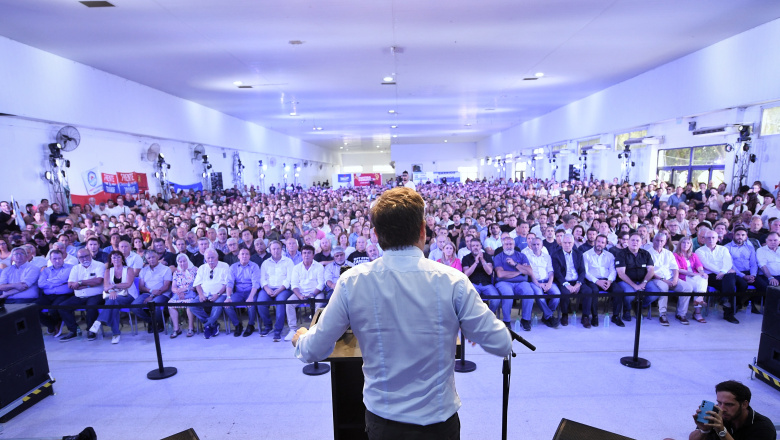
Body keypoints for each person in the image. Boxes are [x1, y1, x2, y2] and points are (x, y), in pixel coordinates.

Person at [293, 187, 511, 440]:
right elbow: (501, 342)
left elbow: (314, 350)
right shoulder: (453, 281)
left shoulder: (353, 281)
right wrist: (470, 324)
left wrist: (301, 338)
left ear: (376, 235)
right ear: (423, 230)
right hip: (439, 421)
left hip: (384, 422)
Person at [682, 380, 776, 440]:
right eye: (719, 402)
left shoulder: (764, 428)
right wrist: (704, 430)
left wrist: (722, 431)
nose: (722, 409)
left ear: (744, 404)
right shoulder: (716, 413)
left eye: (729, 404)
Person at [88, 251, 138, 344]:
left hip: (128, 295)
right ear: (111, 260)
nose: (116, 259)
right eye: (114, 257)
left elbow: (128, 284)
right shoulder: (108, 271)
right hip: (112, 295)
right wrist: (112, 291)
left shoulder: (129, 269)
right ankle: (115, 334)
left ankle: (100, 321)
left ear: (122, 259)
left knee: (112, 302)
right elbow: (106, 287)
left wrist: (113, 286)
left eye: (118, 257)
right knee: (114, 305)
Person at [59, 248, 105, 342]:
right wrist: (89, 284)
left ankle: (91, 331)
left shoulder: (99, 265)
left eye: (86, 256)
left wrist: (80, 282)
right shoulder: (76, 268)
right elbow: (70, 284)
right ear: (78, 258)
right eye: (81, 257)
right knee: (62, 307)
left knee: (91, 307)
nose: (84, 259)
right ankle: (74, 330)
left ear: (90, 255)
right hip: (79, 296)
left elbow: (98, 281)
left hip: (96, 295)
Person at [647, 232, 693, 325]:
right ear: (653, 240)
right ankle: (662, 314)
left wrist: (675, 279)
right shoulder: (647, 253)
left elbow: (675, 268)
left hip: (670, 277)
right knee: (664, 288)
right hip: (656, 279)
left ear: (665, 242)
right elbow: (650, 271)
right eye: (657, 240)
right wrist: (664, 280)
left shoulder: (668, 253)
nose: (659, 243)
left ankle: (681, 314)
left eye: (662, 241)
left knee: (688, 288)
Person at [614, 233, 662, 322]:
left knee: (655, 292)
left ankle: (639, 306)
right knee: (630, 294)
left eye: (637, 240)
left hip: (643, 281)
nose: (635, 242)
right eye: (632, 240)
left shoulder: (646, 254)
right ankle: (627, 310)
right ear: (628, 242)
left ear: (641, 243)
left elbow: (651, 270)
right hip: (626, 281)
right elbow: (621, 274)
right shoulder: (621, 254)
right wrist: (634, 286)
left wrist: (644, 282)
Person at [696, 230, 740, 324]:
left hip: (725, 273)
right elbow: (707, 265)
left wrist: (723, 272)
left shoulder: (723, 249)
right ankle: (729, 313)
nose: (711, 240)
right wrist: (721, 272)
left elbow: (728, 262)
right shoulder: (699, 251)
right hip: (711, 276)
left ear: (718, 239)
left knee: (743, 284)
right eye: (708, 238)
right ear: (704, 239)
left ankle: (727, 300)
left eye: (713, 237)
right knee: (730, 284)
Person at [552, 233, 595, 327]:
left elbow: (582, 271)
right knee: (565, 293)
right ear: (561, 243)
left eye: (569, 243)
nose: (567, 245)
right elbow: (557, 273)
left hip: (577, 281)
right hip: (564, 281)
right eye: (565, 243)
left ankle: (585, 316)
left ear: (573, 243)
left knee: (588, 291)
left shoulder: (579, 254)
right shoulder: (555, 255)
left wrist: (578, 284)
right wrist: (567, 285)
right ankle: (565, 315)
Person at [494, 232, 535, 330]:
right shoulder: (498, 257)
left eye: (511, 244)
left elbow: (529, 271)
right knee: (508, 293)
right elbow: (500, 274)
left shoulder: (521, 256)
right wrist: (520, 272)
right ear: (503, 246)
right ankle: (506, 321)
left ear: (514, 245)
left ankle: (525, 320)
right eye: (506, 244)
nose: (509, 246)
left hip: (521, 283)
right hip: (503, 282)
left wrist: (515, 264)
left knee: (529, 292)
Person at [285, 244, 324, 341]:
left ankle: (315, 328)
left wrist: (312, 295)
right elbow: (294, 284)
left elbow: (321, 284)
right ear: (301, 255)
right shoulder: (296, 268)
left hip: (315, 293)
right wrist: (299, 296)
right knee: (289, 303)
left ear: (313, 255)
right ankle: (293, 329)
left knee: (320, 302)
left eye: (309, 253)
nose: (306, 255)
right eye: (304, 253)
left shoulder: (319, 266)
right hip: (300, 293)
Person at [582, 235, 622, 326]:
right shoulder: (586, 255)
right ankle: (594, 316)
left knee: (618, 291)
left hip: (607, 280)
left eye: (603, 242)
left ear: (605, 244)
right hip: (593, 280)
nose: (600, 244)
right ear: (595, 242)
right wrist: (597, 281)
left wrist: (610, 281)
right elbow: (585, 272)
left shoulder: (610, 255)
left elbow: (613, 270)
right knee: (594, 291)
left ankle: (616, 316)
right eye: (598, 241)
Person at [521, 237, 561, 328]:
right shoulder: (527, 257)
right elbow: (530, 273)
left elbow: (551, 271)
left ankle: (546, 316)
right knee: (540, 297)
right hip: (534, 282)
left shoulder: (547, 256)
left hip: (547, 281)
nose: (536, 246)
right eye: (534, 244)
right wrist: (538, 284)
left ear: (542, 246)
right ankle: (549, 317)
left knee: (557, 295)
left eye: (538, 244)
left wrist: (549, 283)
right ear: (531, 246)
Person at [191, 248, 230, 338]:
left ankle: (207, 326)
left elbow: (227, 284)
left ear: (217, 257)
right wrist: (200, 294)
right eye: (208, 258)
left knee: (217, 305)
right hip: (204, 294)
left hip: (221, 294)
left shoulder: (225, 266)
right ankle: (213, 324)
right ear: (205, 259)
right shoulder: (202, 268)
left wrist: (218, 294)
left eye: (212, 257)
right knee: (192, 305)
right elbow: (197, 284)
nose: (210, 260)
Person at [259, 240, 294, 341]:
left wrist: (279, 290)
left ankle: (278, 330)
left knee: (280, 302)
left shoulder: (288, 262)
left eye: (278, 248)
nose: (276, 251)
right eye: (273, 249)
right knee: (260, 302)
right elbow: (262, 279)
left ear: (281, 249)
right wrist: (267, 289)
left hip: (283, 289)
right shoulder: (265, 263)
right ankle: (268, 326)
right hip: (268, 288)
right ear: (270, 250)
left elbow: (289, 279)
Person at [132, 251, 173, 333]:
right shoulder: (143, 270)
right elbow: (141, 287)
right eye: (149, 258)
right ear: (146, 260)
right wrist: (150, 291)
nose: (151, 259)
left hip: (162, 294)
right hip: (147, 293)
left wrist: (152, 296)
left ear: (158, 257)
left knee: (155, 304)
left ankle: (160, 324)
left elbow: (166, 286)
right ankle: (152, 322)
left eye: (153, 257)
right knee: (134, 306)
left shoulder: (166, 269)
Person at [225, 248, 261, 337]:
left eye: (246, 254)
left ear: (249, 256)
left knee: (251, 305)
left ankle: (251, 325)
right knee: (227, 305)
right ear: (238, 256)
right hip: (239, 292)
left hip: (251, 291)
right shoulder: (233, 267)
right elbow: (229, 282)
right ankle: (237, 325)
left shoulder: (254, 266)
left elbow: (256, 283)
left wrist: (251, 297)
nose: (244, 256)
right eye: (242, 254)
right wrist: (228, 297)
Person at [36, 249, 74, 334]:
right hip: (47, 296)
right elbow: (41, 284)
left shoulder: (70, 268)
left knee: (53, 309)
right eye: (54, 259)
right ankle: (52, 324)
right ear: (50, 260)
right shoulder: (46, 270)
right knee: (33, 308)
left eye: (59, 258)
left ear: (63, 258)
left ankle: (57, 322)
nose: (57, 261)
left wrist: (48, 282)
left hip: (64, 295)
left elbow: (62, 278)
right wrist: (59, 283)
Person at [673, 236, 709, 323]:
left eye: (688, 243)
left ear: (690, 245)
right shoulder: (675, 255)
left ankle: (699, 301)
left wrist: (702, 272)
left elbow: (699, 266)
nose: (685, 244)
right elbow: (678, 269)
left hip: (694, 276)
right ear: (680, 244)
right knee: (695, 286)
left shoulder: (693, 255)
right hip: (683, 277)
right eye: (683, 242)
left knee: (703, 278)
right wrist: (692, 274)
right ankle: (691, 313)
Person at [168, 253, 199, 338]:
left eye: (184, 261)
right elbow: (173, 287)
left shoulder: (195, 270)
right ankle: (176, 328)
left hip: (191, 292)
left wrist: (185, 289)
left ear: (188, 260)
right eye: (180, 262)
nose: (182, 263)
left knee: (189, 304)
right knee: (171, 304)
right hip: (179, 294)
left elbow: (197, 285)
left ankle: (191, 328)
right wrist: (178, 291)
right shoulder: (176, 273)